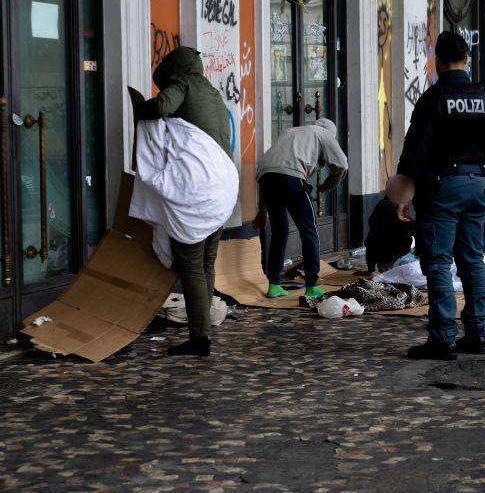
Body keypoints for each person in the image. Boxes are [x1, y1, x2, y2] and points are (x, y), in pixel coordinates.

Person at [386, 31, 485, 360]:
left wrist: (405, 192)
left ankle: (443, 338)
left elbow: (415, 150)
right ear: (466, 59)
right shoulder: (483, 97)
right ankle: (478, 333)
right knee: (473, 261)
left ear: (437, 60)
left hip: (443, 187)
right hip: (477, 182)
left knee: (437, 264)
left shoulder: (434, 98)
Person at [136, 46, 231, 357]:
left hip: (198, 189)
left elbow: (162, 106)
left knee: (190, 264)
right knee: (206, 262)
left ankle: (199, 338)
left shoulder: (183, 84)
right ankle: (203, 329)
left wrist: (141, 110)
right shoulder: (214, 93)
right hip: (224, 187)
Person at [252, 118, 348, 300]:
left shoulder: (292, 132)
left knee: (279, 232)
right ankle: (312, 285)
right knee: (309, 232)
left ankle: (273, 284)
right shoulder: (323, 134)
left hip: (266, 178)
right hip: (291, 177)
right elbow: (342, 164)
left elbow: (271, 170)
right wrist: (325, 187)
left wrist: (263, 211)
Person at [361, 196, 416, 274]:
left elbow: (371, 241)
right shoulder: (394, 211)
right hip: (397, 262)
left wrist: (370, 269)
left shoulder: (381, 206)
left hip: (385, 263)